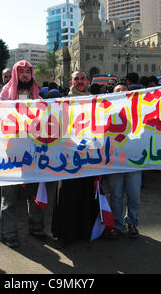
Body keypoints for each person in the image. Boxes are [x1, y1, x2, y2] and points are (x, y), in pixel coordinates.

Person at [0, 60, 47, 248]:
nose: (25, 75)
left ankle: (36, 227)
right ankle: (9, 233)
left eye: (28, 72)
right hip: (11, 152)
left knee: (35, 193)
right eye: (22, 72)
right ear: (16, 74)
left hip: (34, 151)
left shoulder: (38, 95)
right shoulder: (4, 96)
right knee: (9, 196)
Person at [51, 71, 99, 247]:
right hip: (67, 157)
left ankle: (83, 231)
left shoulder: (95, 102)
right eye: (76, 79)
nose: (79, 81)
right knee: (66, 195)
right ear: (71, 81)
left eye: (82, 79)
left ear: (87, 81)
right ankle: (64, 233)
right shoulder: (63, 102)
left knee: (85, 194)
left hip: (87, 157)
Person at [104, 83, 142, 239]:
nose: (121, 93)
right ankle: (118, 225)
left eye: (124, 91)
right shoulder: (106, 113)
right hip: (115, 160)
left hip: (134, 160)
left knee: (134, 195)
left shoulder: (138, 112)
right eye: (117, 91)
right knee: (116, 195)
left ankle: (132, 222)